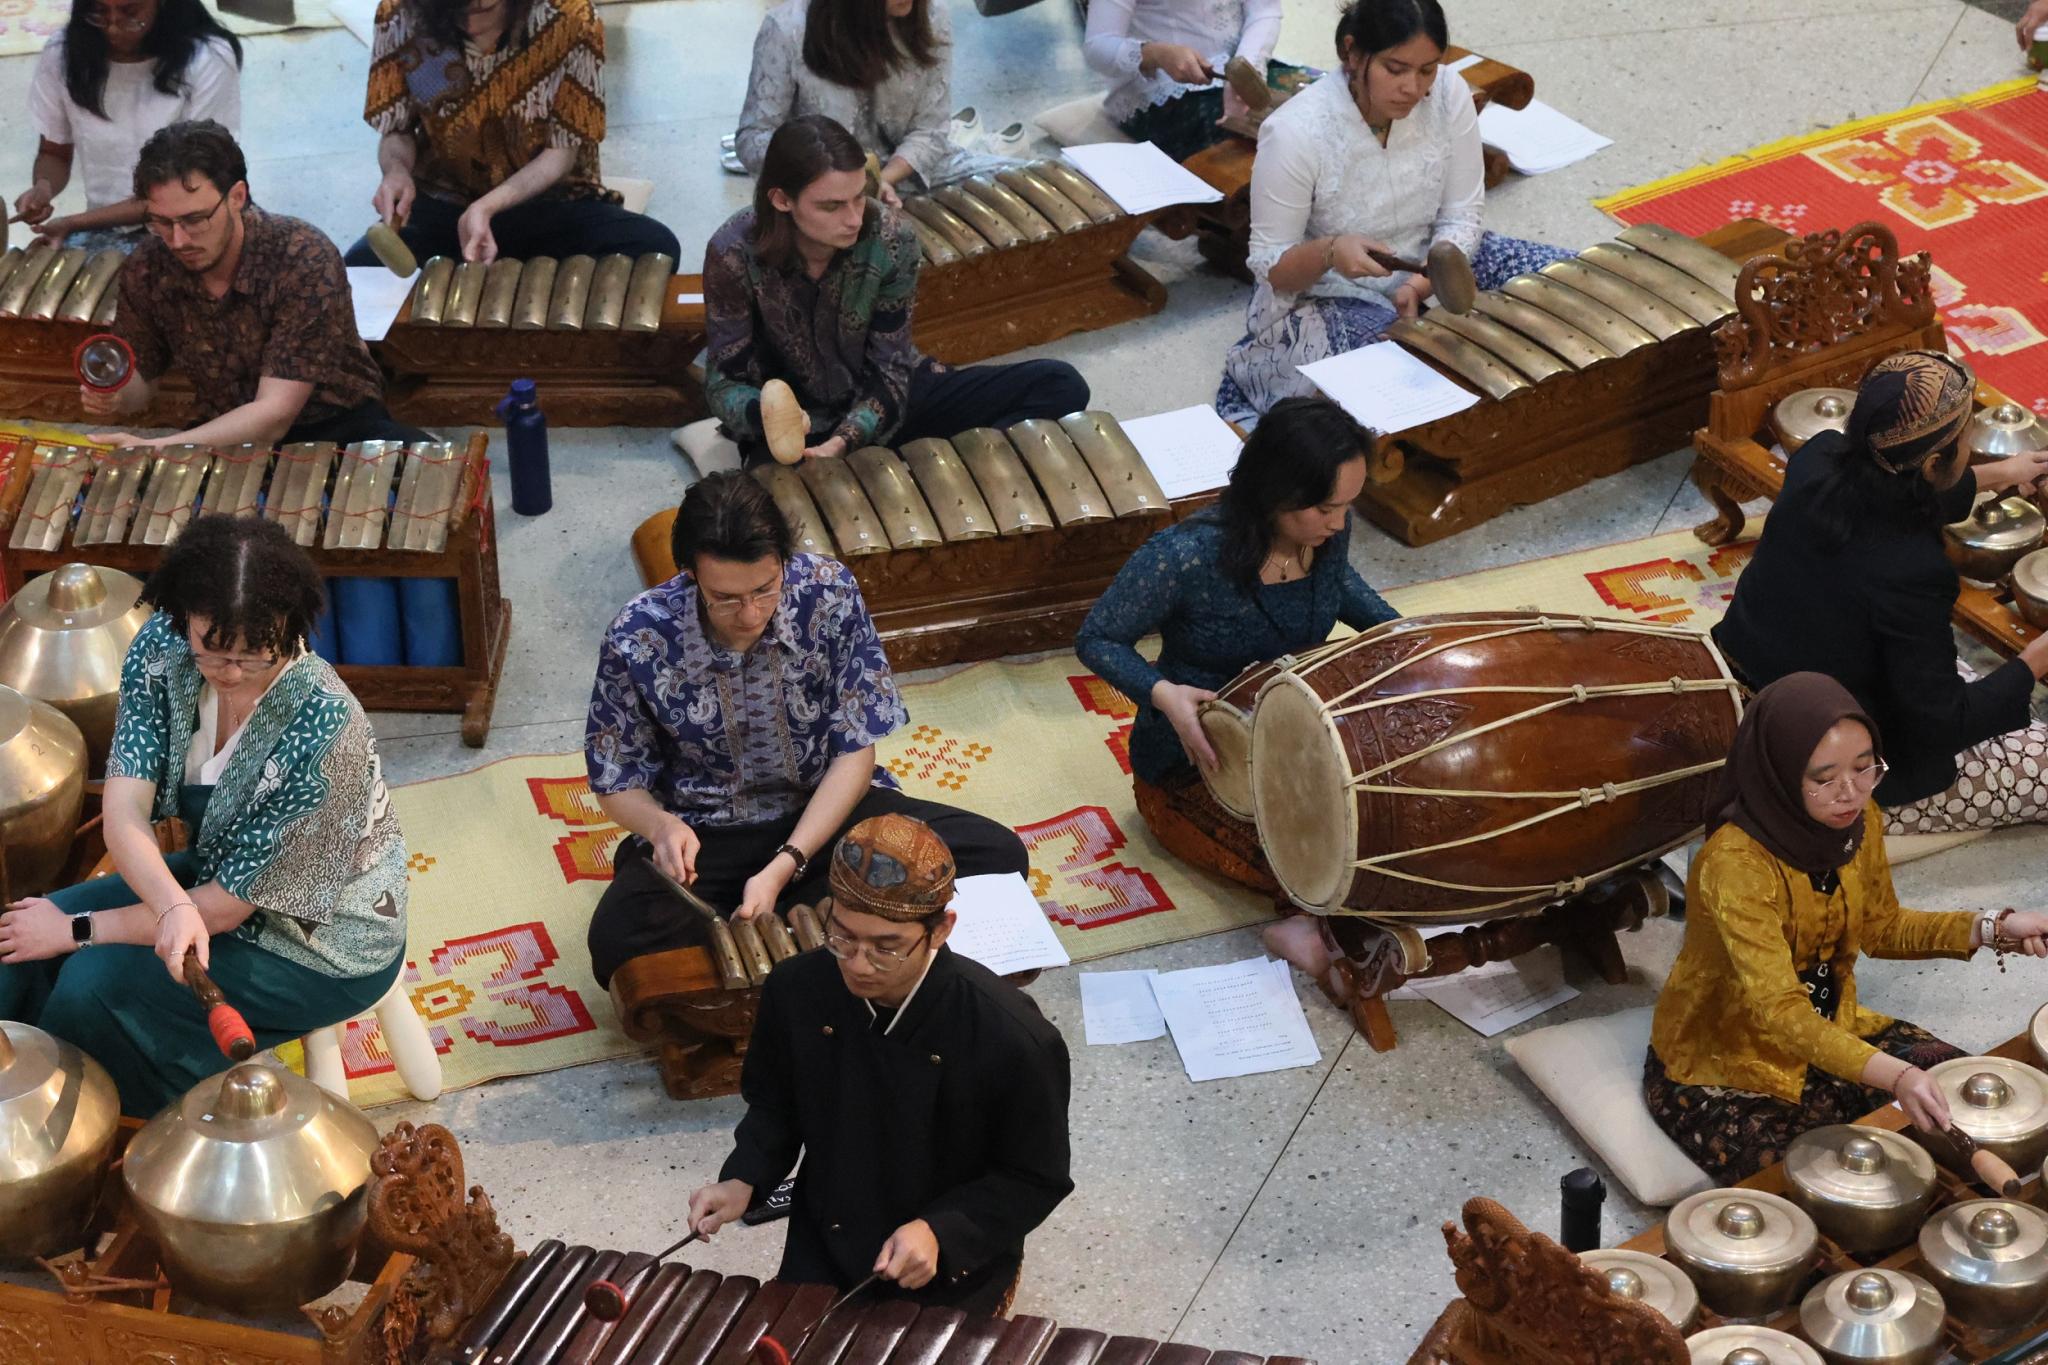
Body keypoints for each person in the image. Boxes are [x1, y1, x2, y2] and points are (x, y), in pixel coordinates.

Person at [0, 516, 408, 1119]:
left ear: (290, 630)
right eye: (214, 651)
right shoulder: (162, 650)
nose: (232, 672)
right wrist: (167, 908)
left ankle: (80, 1135)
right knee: (15, 944)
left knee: (95, 987)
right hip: (217, 873)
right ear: (185, 615)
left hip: (320, 941)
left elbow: (225, 908)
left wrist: (82, 928)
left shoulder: (327, 730)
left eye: (255, 656)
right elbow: (124, 812)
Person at [583, 471, 1031, 988]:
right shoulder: (638, 632)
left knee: (997, 857)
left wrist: (784, 865)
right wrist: (663, 829)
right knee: (618, 939)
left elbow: (854, 752)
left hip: (829, 814)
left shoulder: (829, 592)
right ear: (690, 575)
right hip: (710, 832)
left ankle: (791, 917)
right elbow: (616, 779)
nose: (749, 613)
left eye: (765, 589)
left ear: (785, 563)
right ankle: (835, 914)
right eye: (724, 598)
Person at [1645, 673, 2048, 1184]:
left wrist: (1996, 927)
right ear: (1779, 773)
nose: (1850, 794)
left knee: (1970, 1106)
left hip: (1836, 1022)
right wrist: (1897, 1075)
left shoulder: (1861, 822)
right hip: (1727, 1056)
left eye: (1865, 769)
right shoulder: (1736, 864)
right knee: (1820, 1187)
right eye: (1823, 778)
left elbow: (1883, 928)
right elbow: (1780, 1011)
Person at [1074, 396, 1398, 998]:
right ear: (1277, 494)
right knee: (1323, 852)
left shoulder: (1329, 533)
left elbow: (1339, 585)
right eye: (1327, 507)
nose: (1339, 522)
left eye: (1348, 505)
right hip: (1199, 766)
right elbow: (1097, 638)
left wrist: (1401, 636)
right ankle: (1298, 924)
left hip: (1293, 730)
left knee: (1389, 810)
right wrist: (1162, 692)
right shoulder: (1182, 557)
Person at [686, 812, 1072, 1314]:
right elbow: (776, 1104)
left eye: (887, 948)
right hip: (826, 1234)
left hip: (947, 1260)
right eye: (843, 937)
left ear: (940, 930)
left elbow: (1034, 1177)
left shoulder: (1014, 1039)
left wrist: (942, 1231)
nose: (858, 964)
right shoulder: (797, 988)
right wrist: (745, 1176)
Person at [1714, 350, 2048, 836]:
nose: (1971, 440)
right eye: (1965, 435)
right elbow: (1942, 725)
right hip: (1824, 760)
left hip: (1757, 678)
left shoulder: (1819, 456)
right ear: (1934, 462)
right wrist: (2038, 657)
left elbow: (1901, 492)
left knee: (1960, 672)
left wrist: (2006, 472)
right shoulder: (1912, 571)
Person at [1214, 0, 1572, 425]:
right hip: (1329, 293)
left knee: (1570, 291)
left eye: (1427, 70)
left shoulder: (1448, 93)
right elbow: (1272, 268)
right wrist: (1330, 251)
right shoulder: (1295, 133)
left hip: (1436, 256)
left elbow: (1463, 214)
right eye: (1395, 68)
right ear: (1353, 52)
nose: (1413, 88)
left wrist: (1422, 282)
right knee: (1409, 378)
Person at [703, 115, 1088, 466]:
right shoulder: (732, 253)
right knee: (771, 514)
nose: (854, 218)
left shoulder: (891, 238)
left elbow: (891, 366)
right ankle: (896, 467)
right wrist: (768, 418)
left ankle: (930, 469)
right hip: (799, 428)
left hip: (886, 401)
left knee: (1060, 384)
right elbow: (724, 379)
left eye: (858, 197)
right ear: (782, 200)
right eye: (832, 206)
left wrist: (846, 440)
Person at [83, 120, 430, 452]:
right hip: (223, 433)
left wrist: (160, 447)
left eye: (195, 219)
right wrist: (116, 394)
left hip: (338, 426)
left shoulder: (302, 256)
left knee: (429, 473)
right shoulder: (148, 268)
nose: (177, 240)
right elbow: (142, 383)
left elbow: (274, 415)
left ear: (237, 196)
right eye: (161, 222)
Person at [347, 0, 678, 268]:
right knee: (357, 273)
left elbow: (560, 154)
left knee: (656, 250)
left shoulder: (570, 18)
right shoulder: (399, 15)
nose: (472, 22)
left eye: (485, 8)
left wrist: (486, 208)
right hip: (447, 207)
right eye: (458, 9)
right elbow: (398, 130)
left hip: (547, 204)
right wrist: (397, 171)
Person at [15, 0, 241, 253]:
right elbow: (54, 152)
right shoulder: (63, 54)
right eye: (98, 12)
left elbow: (184, 188)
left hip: (189, 226)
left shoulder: (209, 57)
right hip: (103, 228)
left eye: (130, 13)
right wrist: (43, 187)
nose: (112, 28)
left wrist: (72, 223)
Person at [735, 0, 968, 204]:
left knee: (1001, 185)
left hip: (907, 174)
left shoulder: (932, 14)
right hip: (820, 187)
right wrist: (835, 182)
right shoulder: (788, 28)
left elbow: (931, 129)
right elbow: (753, 137)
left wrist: (880, 182)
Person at [1082, 0, 1287, 162]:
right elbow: (1098, 46)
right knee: (1247, 149)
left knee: (1310, 107)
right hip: (1161, 90)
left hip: (1240, 62)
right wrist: (1157, 54)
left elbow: (1265, 11)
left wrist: (1246, 70)